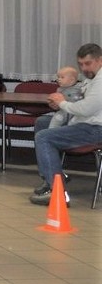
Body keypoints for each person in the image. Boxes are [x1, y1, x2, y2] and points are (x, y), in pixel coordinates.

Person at [29, 43, 102, 206]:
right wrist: (61, 103)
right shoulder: (91, 79)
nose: (84, 68)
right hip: (84, 122)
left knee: (44, 137)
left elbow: (86, 108)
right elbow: (80, 101)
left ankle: (57, 191)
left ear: (100, 60)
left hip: (95, 129)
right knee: (42, 122)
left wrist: (62, 104)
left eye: (88, 64)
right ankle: (50, 179)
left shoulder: (100, 80)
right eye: (81, 64)